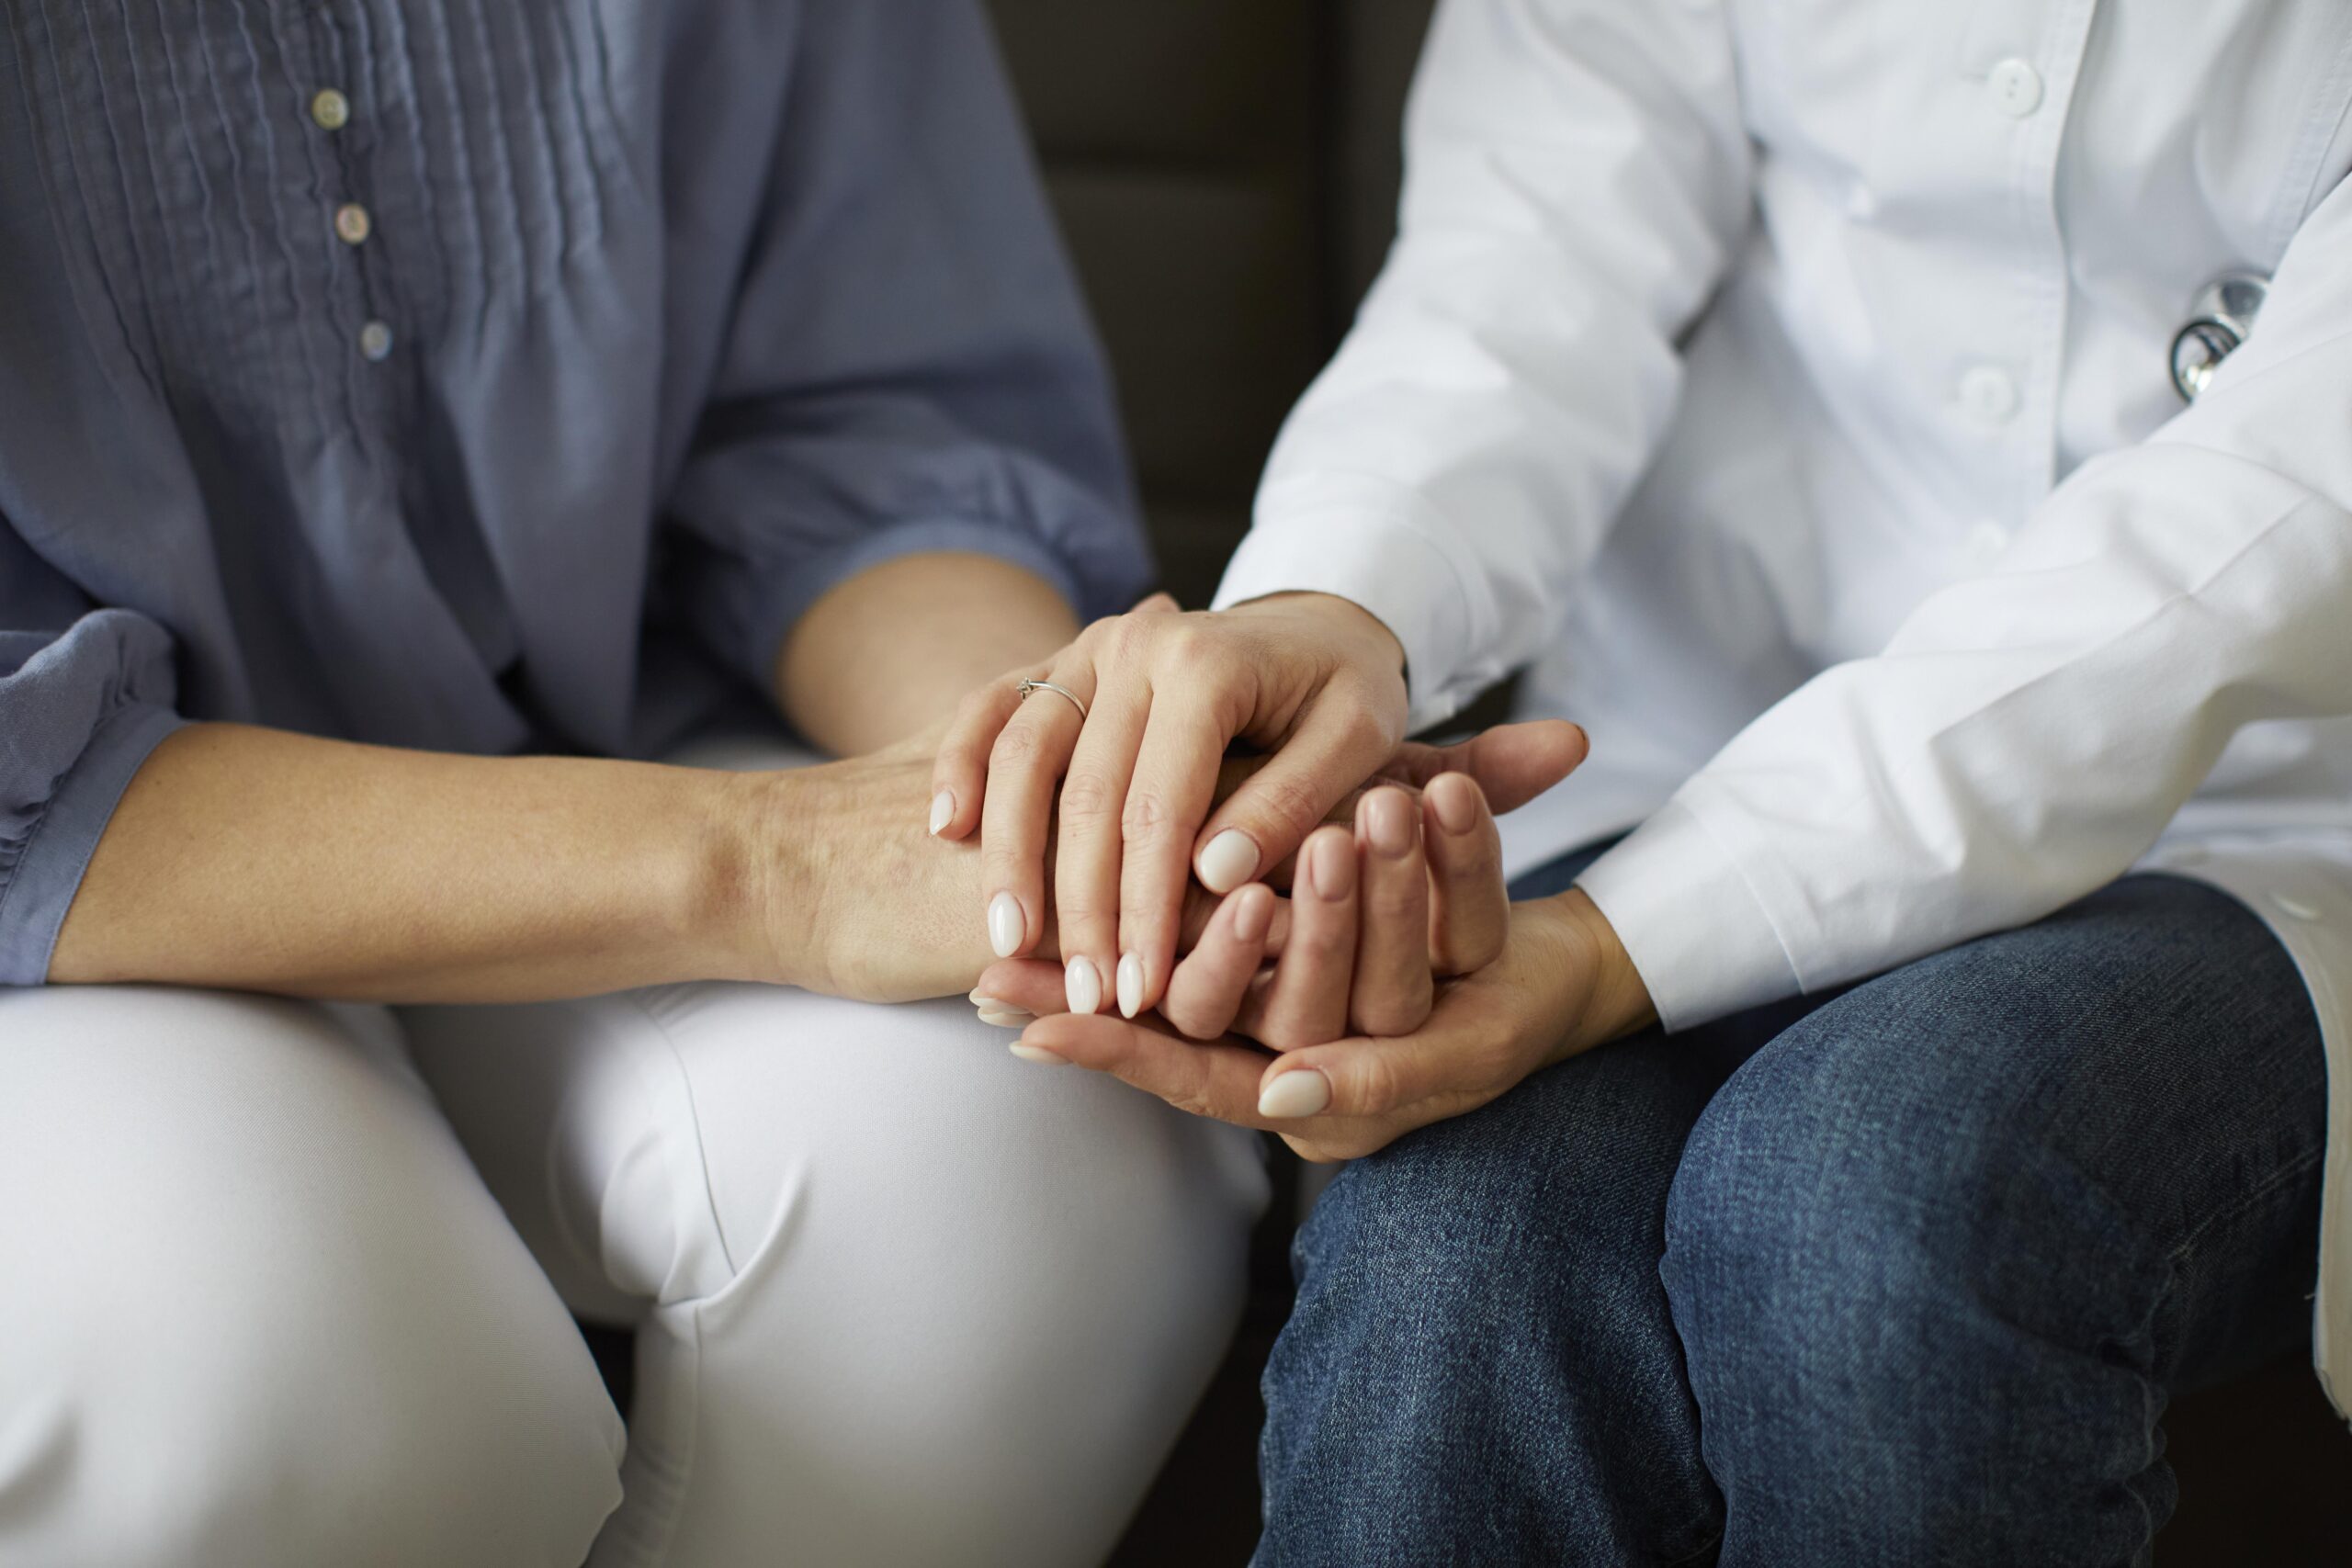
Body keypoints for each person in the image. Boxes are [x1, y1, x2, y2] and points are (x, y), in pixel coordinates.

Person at [0, 5, 1576, 1565]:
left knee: (1045, 1186)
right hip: (78, 894)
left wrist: (1098, 800)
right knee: (278, 1385)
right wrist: (782, 866)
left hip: (626, 708)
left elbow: (860, 425)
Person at [955, 0, 2352, 1561]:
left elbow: (2275, 522)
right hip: (1695, 745)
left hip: (2270, 820)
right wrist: (1332, 608)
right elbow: (1537, 246)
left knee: (1874, 1199)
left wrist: (1609, 950)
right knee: (1459, 1217)